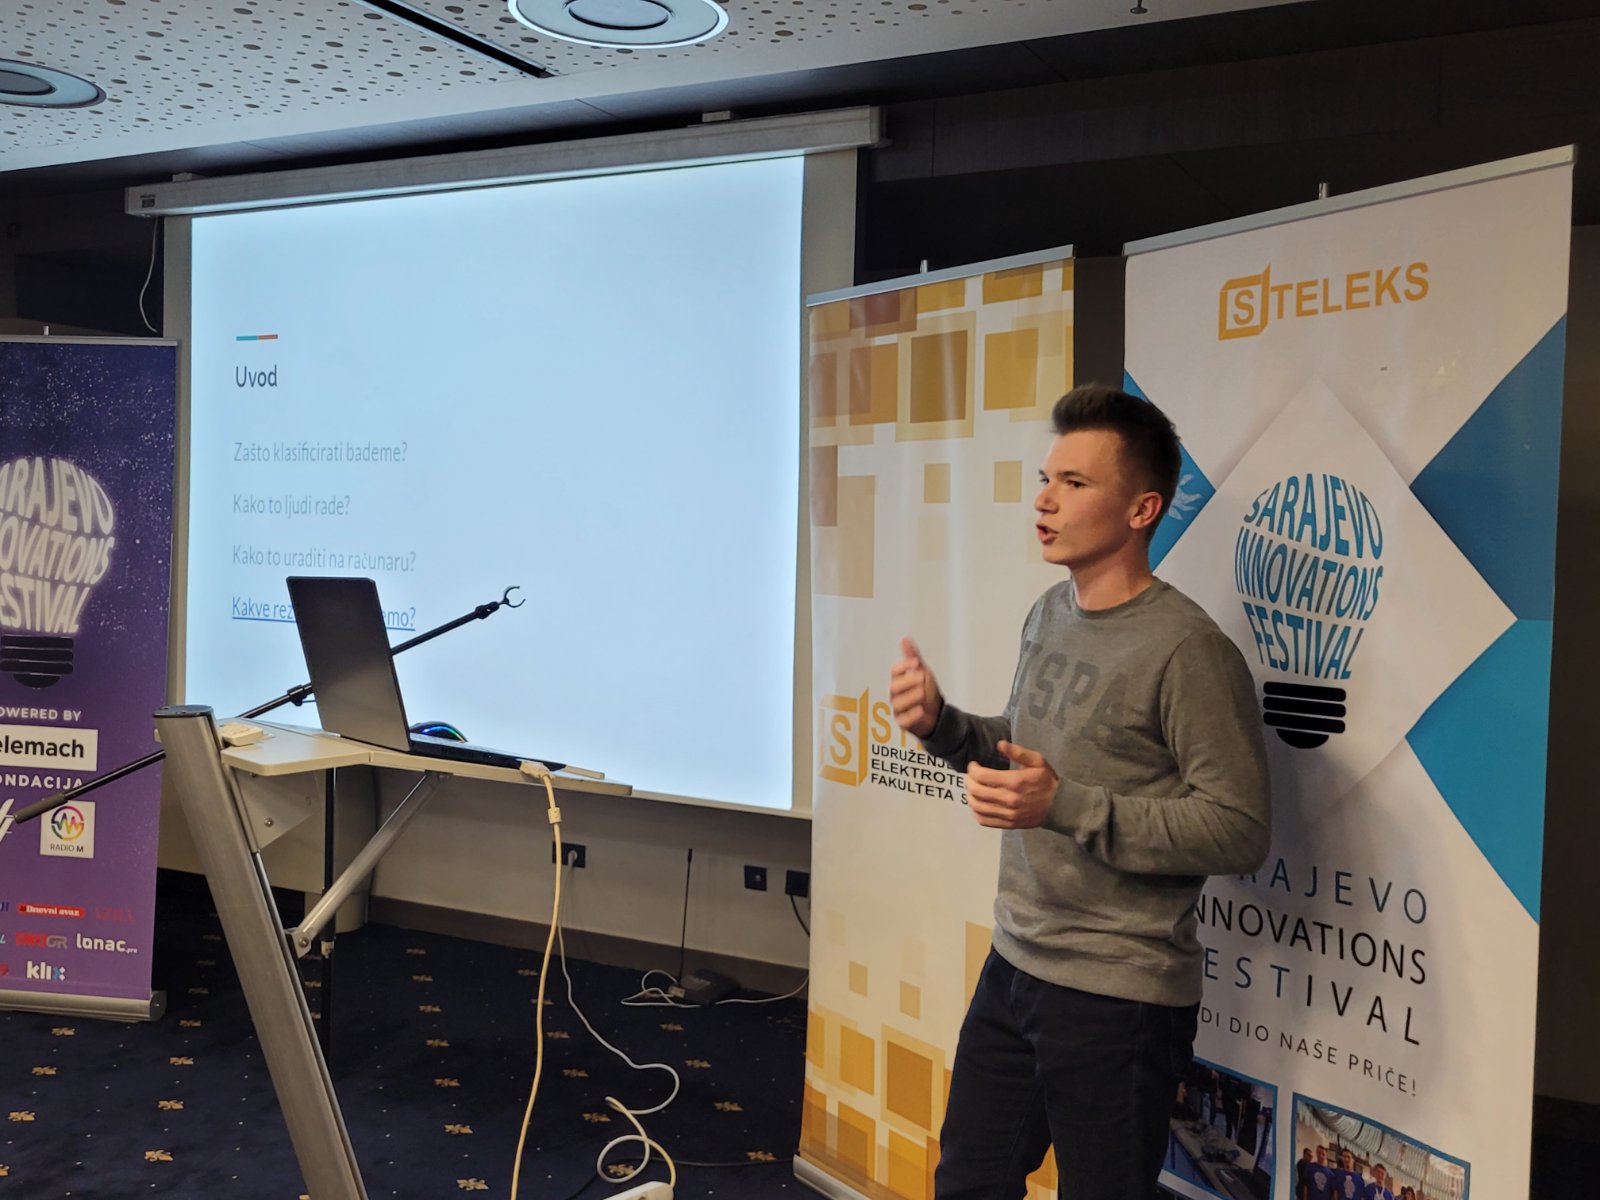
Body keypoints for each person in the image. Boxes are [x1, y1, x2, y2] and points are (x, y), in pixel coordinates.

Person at [889, 384, 1273, 1200]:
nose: (1044, 500)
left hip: (1118, 996)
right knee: (968, 1184)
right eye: (1046, 479)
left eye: (1073, 483)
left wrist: (1065, 806)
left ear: (1142, 509)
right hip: (1016, 964)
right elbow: (1025, 753)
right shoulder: (1048, 614)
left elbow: (1238, 828)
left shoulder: (1189, 651)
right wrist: (943, 726)